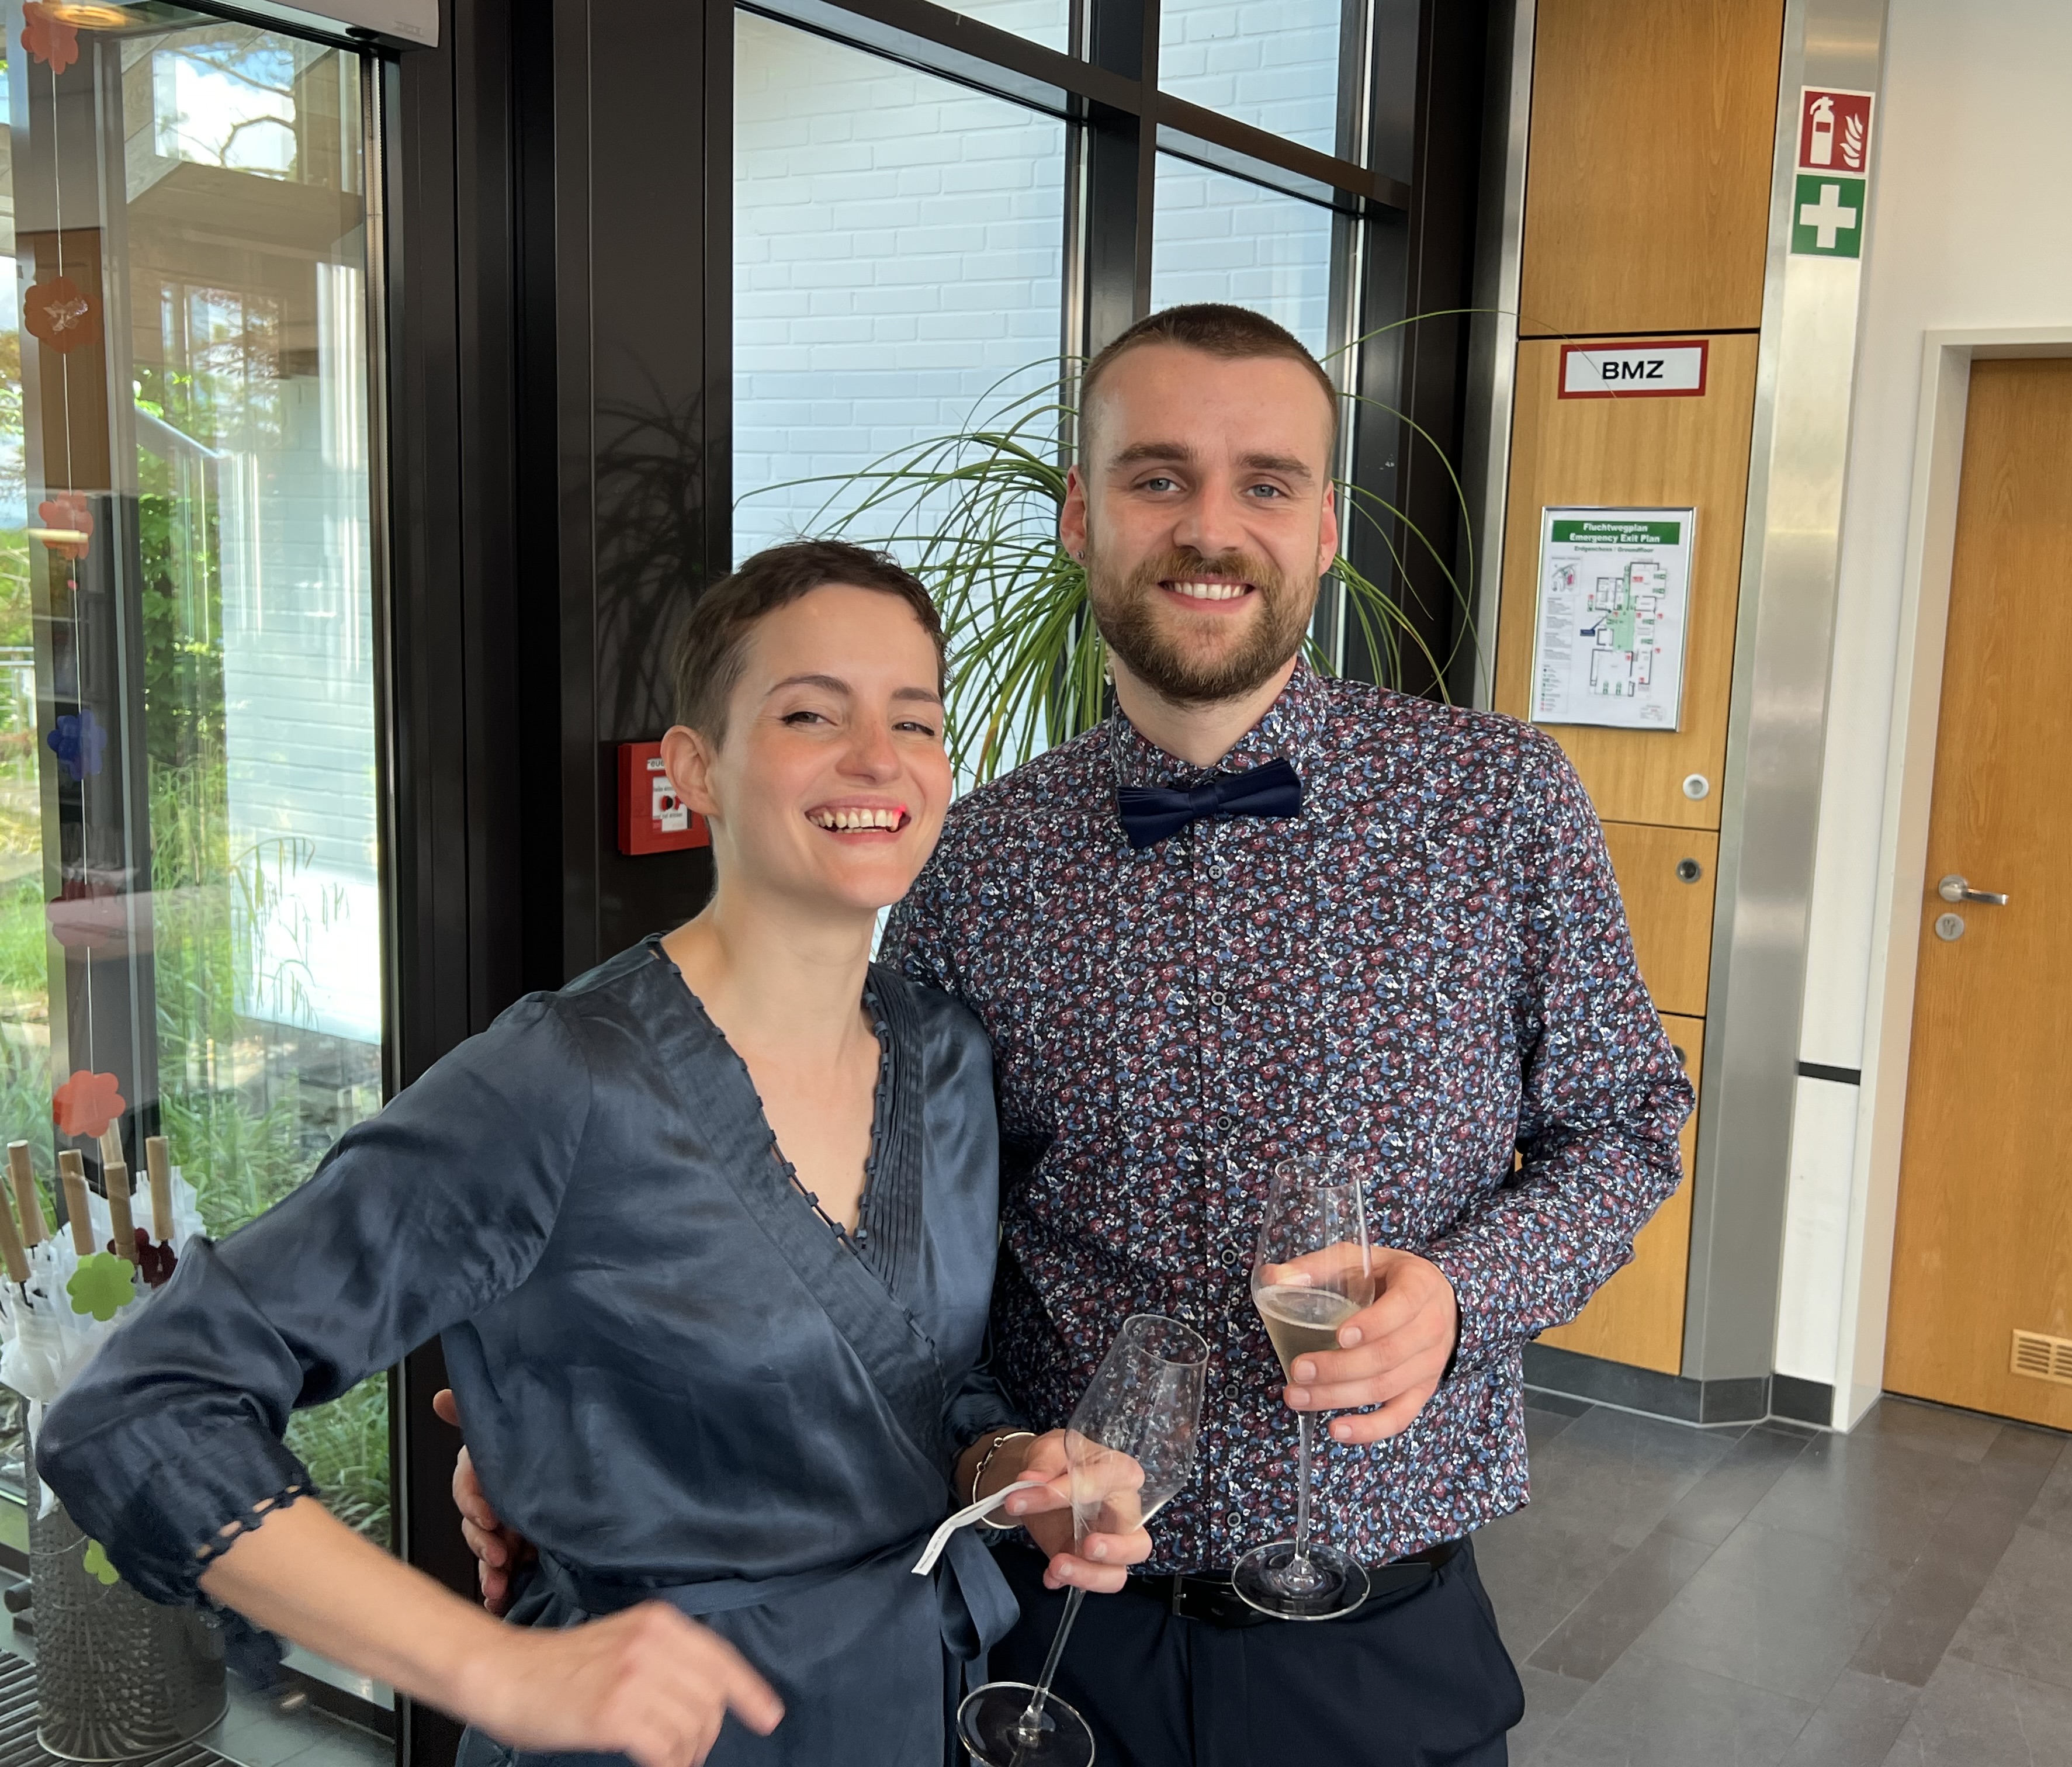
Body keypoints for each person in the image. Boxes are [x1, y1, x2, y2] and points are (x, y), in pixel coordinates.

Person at [460, 306, 1692, 1766]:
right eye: (1158, 478)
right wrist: (571, 1406)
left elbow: (1627, 1122)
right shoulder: (972, 862)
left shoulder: (1498, 803)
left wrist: (1463, 1297)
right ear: (1079, 517)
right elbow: (857, 1230)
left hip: (1383, 1629)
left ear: (1323, 529)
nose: (1210, 529)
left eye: (1264, 484)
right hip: (1051, 1640)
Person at [36, 542, 1152, 1767]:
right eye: (810, 713)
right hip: (658, 1735)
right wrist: (489, 1667)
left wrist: (1011, 1471)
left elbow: (913, 1392)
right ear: (696, 769)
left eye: (914, 719)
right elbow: (141, 1409)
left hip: (914, 1708)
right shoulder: (562, 1082)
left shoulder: (945, 1057)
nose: (878, 758)